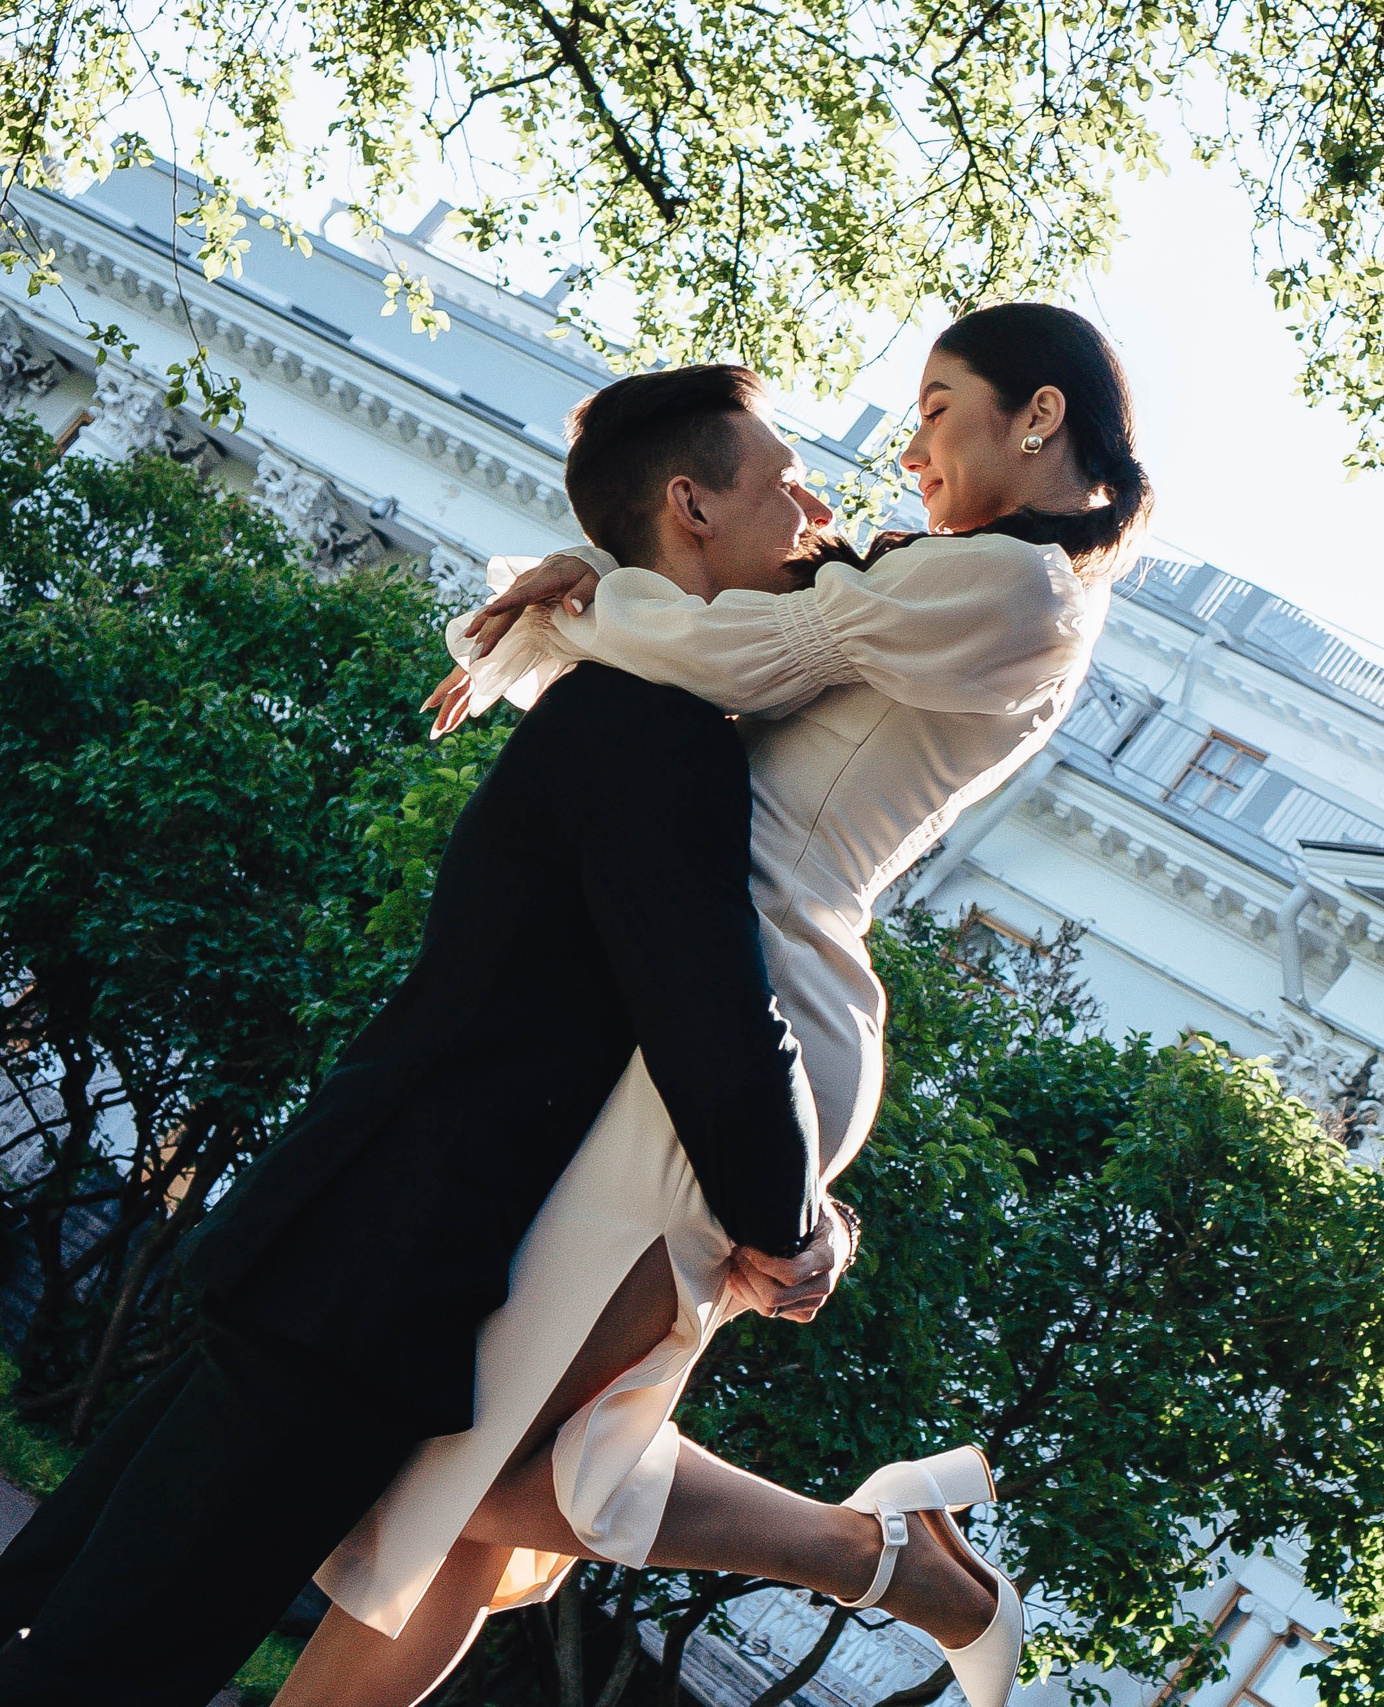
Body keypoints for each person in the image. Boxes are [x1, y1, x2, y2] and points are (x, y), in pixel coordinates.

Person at [278, 303, 1150, 1707]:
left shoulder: (1016, 592)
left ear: (1036, 416)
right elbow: (735, 632)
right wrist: (591, 591)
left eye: (938, 406)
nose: (910, 441)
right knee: (454, 1496)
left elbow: (737, 659)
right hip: (709, 1008)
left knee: (508, 1464)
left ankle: (887, 1562)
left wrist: (580, 598)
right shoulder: (964, 575)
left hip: (754, 1020)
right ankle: (886, 1552)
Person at [0, 375, 841, 1706]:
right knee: (103, 1663)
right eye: (786, 481)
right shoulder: (654, 732)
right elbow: (715, 1021)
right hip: (373, 1276)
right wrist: (792, 1222)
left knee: (59, 1617)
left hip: (340, 1249)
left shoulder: (626, 696)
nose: (818, 508)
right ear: (689, 505)